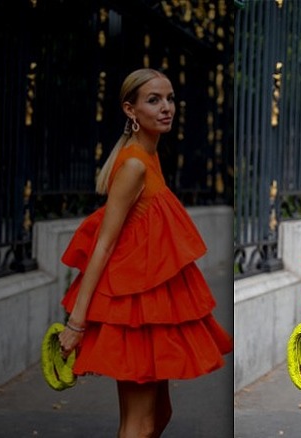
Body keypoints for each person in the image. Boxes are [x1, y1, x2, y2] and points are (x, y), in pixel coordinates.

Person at [57, 68, 233, 437]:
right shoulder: (135, 164)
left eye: (170, 99)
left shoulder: (149, 158)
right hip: (132, 308)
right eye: (153, 100)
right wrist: (77, 322)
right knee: (140, 423)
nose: (166, 107)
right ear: (130, 110)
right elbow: (103, 244)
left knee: (158, 415)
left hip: (148, 305)